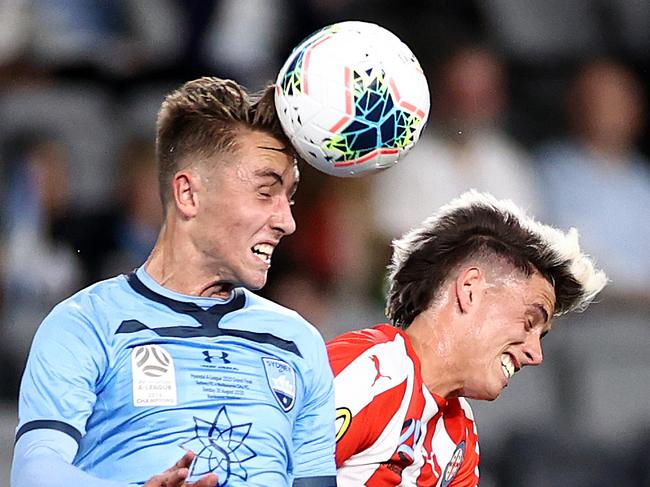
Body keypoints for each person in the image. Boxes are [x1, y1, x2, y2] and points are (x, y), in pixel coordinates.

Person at [11, 77, 337, 487]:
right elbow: (34, 472)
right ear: (188, 194)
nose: (286, 222)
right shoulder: (86, 324)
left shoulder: (298, 341)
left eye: (288, 198)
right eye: (265, 192)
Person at [327, 190, 607, 486]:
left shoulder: (459, 436)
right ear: (470, 289)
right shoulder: (370, 372)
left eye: (541, 335)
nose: (536, 354)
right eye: (529, 322)